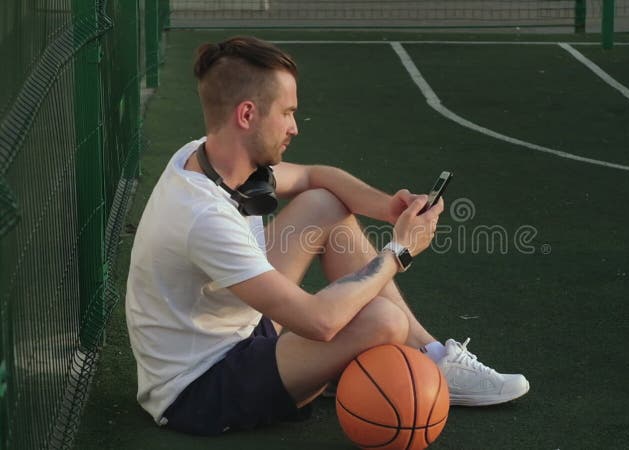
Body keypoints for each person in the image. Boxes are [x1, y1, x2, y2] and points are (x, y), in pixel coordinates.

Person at [125, 35, 529, 436]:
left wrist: (387, 206)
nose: (295, 127)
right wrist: (400, 250)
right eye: (286, 112)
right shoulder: (203, 215)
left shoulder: (208, 155)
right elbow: (319, 323)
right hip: (201, 386)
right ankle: (343, 366)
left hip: (235, 329)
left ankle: (435, 356)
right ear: (247, 115)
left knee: (323, 204)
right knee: (383, 321)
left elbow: (313, 176)